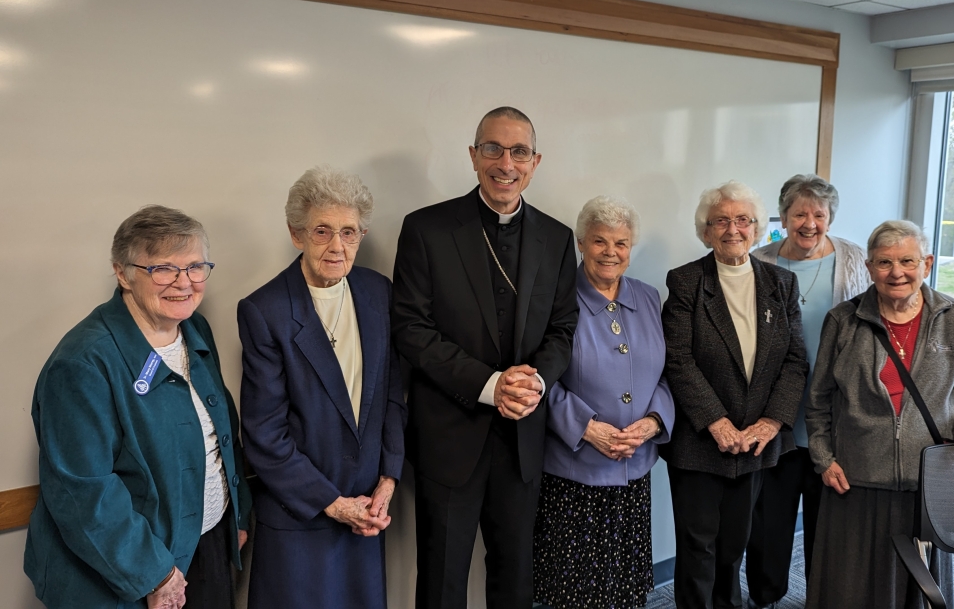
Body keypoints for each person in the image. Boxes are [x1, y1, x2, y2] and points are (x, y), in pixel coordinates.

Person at [392, 106, 579, 609]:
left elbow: (563, 328)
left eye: (519, 151)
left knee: (516, 577)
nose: (506, 163)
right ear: (474, 156)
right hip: (450, 434)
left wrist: (535, 382)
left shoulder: (558, 238)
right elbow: (410, 328)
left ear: (535, 162)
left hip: (522, 438)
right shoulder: (426, 229)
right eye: (493, 149)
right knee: (442, 576)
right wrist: (490, 385)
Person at [24, 205, 251, 609]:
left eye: (196, 266)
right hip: (130, 574)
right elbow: (84, 493)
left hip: (204, 546)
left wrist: (236, 516)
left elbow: (219, 433)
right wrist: (155, 575)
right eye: (163, 268)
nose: (184, 283)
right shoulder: (82, 363)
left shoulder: (193, 329)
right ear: (122, 273)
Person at [238, 166, 407, 609]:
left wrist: (388, 477)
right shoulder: (265, 310)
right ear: (296, 235)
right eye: (322, 231)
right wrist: (333, 503)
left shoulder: (379, 293)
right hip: (302, 514)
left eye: (349, 232)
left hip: (368, 512)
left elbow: (392, 395)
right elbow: (263, 435)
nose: (337, 246)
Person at [805, 219, 954, 609]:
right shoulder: (843, 321)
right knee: (847, 588)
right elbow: (818, 399)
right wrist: (823, 458)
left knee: (919, 588)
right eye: (884, 263)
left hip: (926, 477)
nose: (897, 273)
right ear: (869, 267)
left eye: (907, 261)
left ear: (926, 263)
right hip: (855, 478)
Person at [661, 180, 808, 609]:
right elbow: (678, 359)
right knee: (698, 548)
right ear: (706, 231)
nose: (732, 229)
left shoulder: (782, 284)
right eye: (720, 220)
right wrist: (716, 421)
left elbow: (795, 361)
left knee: (733, 548)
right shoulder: (687, 281)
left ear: (758, 228)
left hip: (756, 442)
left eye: (742, 220)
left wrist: (771, 421)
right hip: (700, 441)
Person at [533, 196, 676, 609]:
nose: (610, 252)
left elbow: (668, 372)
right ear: (581, 243)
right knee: (572, 589)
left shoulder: (649, 298)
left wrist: (652, 423)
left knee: (625, 586)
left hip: (634, 468)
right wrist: (586, 427)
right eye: (600, 241)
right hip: (574, 472)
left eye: (621, 243)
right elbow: (539, 380)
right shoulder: (554, 300)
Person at [746, 174, 870, 608]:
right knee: (768, 521)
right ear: (784, 216)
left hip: (834, 419)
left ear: (830, 217)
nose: (809, 223)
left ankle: (823, 596)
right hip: (772, 416)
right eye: (800, 213)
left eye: (819, 214)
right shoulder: (757, 261)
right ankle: (765, 596)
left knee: (828, 522)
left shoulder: (856, 261)